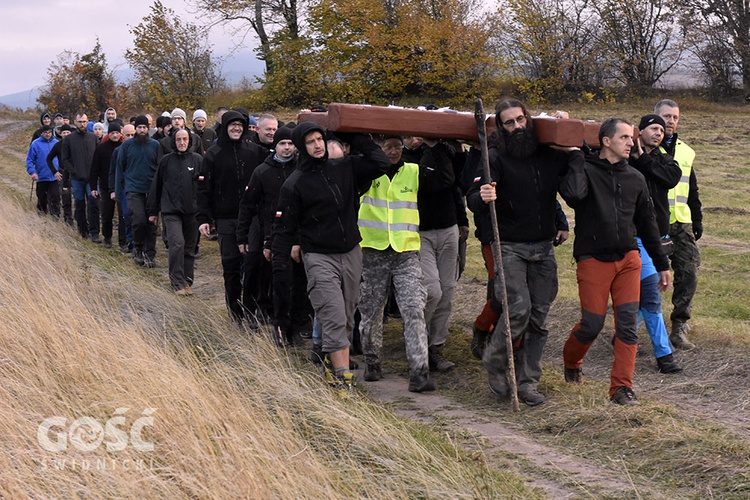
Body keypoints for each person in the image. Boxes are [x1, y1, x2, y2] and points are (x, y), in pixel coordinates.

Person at [467, 99, 583, 406]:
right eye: (509, 122)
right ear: (501, 128)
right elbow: (473, 197)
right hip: (509, 246)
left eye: (521, 120)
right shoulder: (495, 157)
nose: (517, 126)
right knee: (517, 310)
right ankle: (495, 363)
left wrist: (567, 131)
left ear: (529, 120)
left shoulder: (547, 154)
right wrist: (482, 194)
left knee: (539, 318)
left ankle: (528, 381)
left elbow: (565, 185)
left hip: (544, 248)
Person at [272, 122, 389, 396]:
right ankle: (342, 379)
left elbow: (380, 163)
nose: (317, 145)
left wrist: (354, 134)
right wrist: (279, 262)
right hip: (318, 256)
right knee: (334, 316)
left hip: (350, 251)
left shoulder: (344, 168)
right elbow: (284, 228)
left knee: (347, 317)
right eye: (310, 141)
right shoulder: (295, 184)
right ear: (302, 147)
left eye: (320, 139)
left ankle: (327, 358)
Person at [560, 117, 671, 406]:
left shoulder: (635, 177)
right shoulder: (584, 169)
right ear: (606, 141)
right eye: (624, 137)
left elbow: (648, 224)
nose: (631, 142)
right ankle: (572, 362)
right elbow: (572, 195)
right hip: (593, 259)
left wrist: (662, 264)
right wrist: (575, 157)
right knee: (592, 324)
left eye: (631, 138)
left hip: (629, 260)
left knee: (627, 326)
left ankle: (621, 388)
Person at [358, 135, 454, 392]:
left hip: (406, 252)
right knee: (371, 311)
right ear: (379, 148)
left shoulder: (413, 171)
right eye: (388, 147)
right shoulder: (366, 172)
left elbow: (444, 180)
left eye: (398, 147)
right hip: (374, 252)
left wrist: (435, 147)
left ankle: (419, 372)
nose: (394, 152)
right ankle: (372, 361)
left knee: (413, 308)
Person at [237, 126, 312, 345]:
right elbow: (248, 205)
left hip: (302, 234)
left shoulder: (303, 169)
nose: (287, 148)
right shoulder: (262, 171)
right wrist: (242, 236)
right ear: (275, 146)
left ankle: (299, 327)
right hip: (275, 234)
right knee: (280, 284)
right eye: (282, 144)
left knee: (301, 284)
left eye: (290, 144)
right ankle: (280, 328)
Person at [197, 111, 266, 323]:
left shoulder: (255, 152)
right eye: (232, 125)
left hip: (252, 218)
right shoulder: (214, 154)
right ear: (225, 126)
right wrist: (204, 218)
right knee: (231, 267)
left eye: (240, 125)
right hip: (226, 219)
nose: (236, 128)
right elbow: (203, 188)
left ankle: (251, 312)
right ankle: (235, 315)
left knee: (253, 267)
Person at [629, 114, 683, 373]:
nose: (659, 132)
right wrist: (637, 158)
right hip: (632, 236)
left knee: (643, 297)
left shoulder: (665, 160)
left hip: (657, 238)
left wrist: (644, 160)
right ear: (639, 132)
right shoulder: (626, 157)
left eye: (662, 129)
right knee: (650, 294)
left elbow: (670, 179)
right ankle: (664, 355)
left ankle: (623, 333)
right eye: (653, 128)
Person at [655, 99, 702, 351]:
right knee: (648, 277)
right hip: (652, 222)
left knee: (689, 273)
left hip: (681, 222)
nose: (671, 121)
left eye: (675, 117)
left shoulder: (686, 151)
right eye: (666, 116)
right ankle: (628, 327)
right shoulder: (645, 149)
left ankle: (679, 326)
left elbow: (691, 188)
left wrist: (697, 218)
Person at [147, 128, 202, 295]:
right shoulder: (166, 161)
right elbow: (156, 186)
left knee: (190, 247)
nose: (182, 142)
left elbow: (205, 187)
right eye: (179, 139)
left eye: (185, 139)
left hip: (192, 211)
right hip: (170, 211)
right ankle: (177, 282)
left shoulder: (198, 160)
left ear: (190, 141)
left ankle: (187, 280)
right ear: (174, 141)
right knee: (177, 243)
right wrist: (152, 211)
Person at [115, 115, 160, 267]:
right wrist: (117, 190)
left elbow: (160, 168)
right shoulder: (127, 146)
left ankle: (150, 254)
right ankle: (138, 248)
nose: (142, 130)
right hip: (133, 189)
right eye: (139, 127)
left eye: (144, 127)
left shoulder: (155, 145)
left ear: (148, 128)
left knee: (151, 223)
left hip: (151, 190)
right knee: (139, 220)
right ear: (136, 129)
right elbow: (119, 169)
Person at [61, 113, 100, 242]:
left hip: (92, 179)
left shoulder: (93, 138)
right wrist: (73, 171)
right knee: (79, 205)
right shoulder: (69, 139)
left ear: (88, 122)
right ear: (75, 122)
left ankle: (95, 232)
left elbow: (99, 157)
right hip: (77, 179)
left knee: (93, 204)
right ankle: (83, 231)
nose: (82, 124)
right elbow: (65, 159)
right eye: (80, 121)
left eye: (84, 121)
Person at [90, 122, 124, 248]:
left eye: (117, 133)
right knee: (106, 214)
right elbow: (94, 169)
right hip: (105, 186)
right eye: (112, 133)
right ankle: (107, 237)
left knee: (123, 215)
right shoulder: (101, 148)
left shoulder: (124, 147)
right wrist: (93, 187)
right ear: (108, 134)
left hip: (121, 185)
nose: (115, 135)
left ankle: (123, 240)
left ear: (120, 134)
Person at [109, 124, 136, 253]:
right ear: (122, 136)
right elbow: (113, 172)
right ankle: (130, 242)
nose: (130, 137)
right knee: (125, 215)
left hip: (138, 188)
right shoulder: (118, 151)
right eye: (127, 135)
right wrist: (113, 190)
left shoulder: (141, 148)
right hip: (124, 189)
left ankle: (139, 243)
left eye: (132, 135)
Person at [26, 125, 61, 216]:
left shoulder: (56, 143)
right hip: (41, 176)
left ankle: (56, 216)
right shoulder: (35, 144)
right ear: (42, 133)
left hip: (54, 176)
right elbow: (29, 160)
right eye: (45, 132)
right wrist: (32, 172)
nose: (48, 134)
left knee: (55, 197)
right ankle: (42, 215)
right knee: (42, 198)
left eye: (49, 132)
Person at [46, 123, 74, 225]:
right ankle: (68, 220)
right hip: (63, 174)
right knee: (66, 198)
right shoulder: (58, 145)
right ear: (60, 134)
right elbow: (49, 159)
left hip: (76, 173)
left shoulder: (76, 143)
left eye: (68, 132)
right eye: (64, 132)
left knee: (79, 199)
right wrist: (55, 172)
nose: (66, 134)